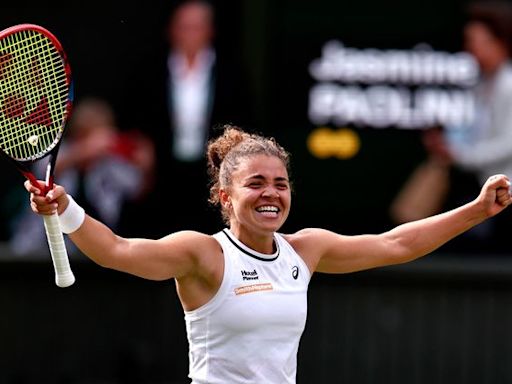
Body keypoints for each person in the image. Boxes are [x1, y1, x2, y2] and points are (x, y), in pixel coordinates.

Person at [25, 125, 511, 383]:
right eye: (255, 183)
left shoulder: (306, 249)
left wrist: (476, 209)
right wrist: (67, 208)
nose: (270, 193)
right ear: (225, 196)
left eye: (280, 183)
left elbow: (396, 243)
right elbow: (117, 250)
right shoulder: (202, 255)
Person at [121, 0, 252, 237]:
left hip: (212, 172)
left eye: (197, 27)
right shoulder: (151, 70)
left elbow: (243, 121)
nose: (190, 34)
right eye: (184, 27)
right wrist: (142, 146)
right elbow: (132, 115)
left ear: (210, 31)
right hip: (161, 174)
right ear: (172, 30)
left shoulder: (230, 72)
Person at [396, 1, 512, 253]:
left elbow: (507, 144)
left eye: (475, 40)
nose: (469, 48)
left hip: (506, 197)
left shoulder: (508, 83)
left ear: (498, 41)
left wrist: (459, 154)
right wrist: (449, 145)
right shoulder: (483, 84)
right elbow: (475, 133)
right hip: (489, 189)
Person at [10, 97, 155, 255]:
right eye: (90, 135)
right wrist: (84, 151)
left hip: (96, 251)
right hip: (37, 250)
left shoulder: (111, 164)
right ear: (78, 134)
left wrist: (147, 167)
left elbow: (138, 189)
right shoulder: (57, 153)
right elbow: (43, 172)